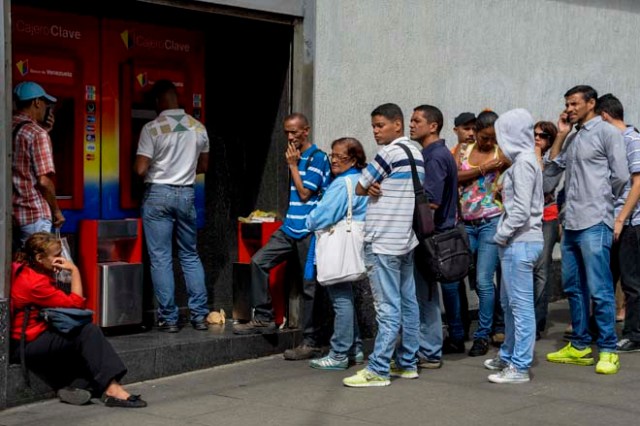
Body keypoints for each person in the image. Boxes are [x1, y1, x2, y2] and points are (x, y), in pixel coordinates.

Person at [233, 113, 330, 361]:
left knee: (310, 287)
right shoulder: (295, 156)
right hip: (289, 227)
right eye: (287, 132)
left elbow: (306, 192)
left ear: (306, 131)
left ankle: (312, 341)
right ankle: (264, 317)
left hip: (309, 230)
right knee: (258, 261)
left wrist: (293, 166)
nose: (290, 137)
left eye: (295, 132)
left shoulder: (317, 158)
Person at [545, 85, 628, 375]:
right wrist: (560, 134)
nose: (569, 109)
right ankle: (580, 345)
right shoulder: (573, 137)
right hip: (571, 223)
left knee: (600, 289)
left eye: (574, 104)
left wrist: (606, 208)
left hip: (595, 221)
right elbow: (550, 174)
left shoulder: (607, 133)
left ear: (591, 103)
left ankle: (608, 348)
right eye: (567, 104)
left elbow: (620, 177)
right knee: (573, 287)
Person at [10, 232, 147, 408]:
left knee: (83, 342)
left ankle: (79, 386)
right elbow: (76, 304)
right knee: (88, 331)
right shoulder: (36, 284)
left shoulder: (22, 268)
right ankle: (112, 389)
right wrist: (74, 270)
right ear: (39, 257)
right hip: (27, 343)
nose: (61, 259)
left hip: (25, 338)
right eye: (57, 255)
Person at [343, 103, 424, 387]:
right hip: (405, 240)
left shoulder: (388, 153)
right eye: (374, 126)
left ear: (397, 125)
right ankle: (408, 363)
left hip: (382, 241)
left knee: (387, 307)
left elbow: (360, 186)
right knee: (409, 303)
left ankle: (378, 368)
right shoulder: (416, 153)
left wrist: (371, 186)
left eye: (380, 125)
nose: (375, 131)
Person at [134, 79, 210, 333]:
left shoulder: (152, 128)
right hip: (187, 194)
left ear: (158, 101)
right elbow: (204, 167)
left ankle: (170, 318)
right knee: (190, 255)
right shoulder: (198, 128)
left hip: (158, 194)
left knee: (161, 258)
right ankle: (200, 316)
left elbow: (140, 169)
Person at [483, 109, 544, 384]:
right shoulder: (523, 161)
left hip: (520, 243)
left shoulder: (523, 164)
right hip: (516, 243)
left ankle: (519, 366)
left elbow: (520, 210)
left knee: (519, 307)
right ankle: (508, 355)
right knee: (509, 305)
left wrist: (501, 235)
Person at [306, 137, 367, 370]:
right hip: (356, 244)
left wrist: (309, 220)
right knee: (347, 297)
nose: (334, 160)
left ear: (353, 159)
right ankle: (355, 347)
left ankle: (339, 353)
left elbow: (323, 215)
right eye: (332, 155)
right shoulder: (362, 179)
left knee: (340, 299)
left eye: (340, 156)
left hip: (338, 246)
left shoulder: (342, 184)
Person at [408, 105, 461, 366]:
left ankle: (428, 351)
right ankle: (425, 347)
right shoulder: (435, 154)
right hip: (434, 235)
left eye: (417, 120)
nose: (411, 124)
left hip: (431, 236)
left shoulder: (435, 156)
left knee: (426, 295)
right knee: (425, 294)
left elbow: (431, 202)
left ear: (433, 126)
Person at [457, 111, 509, 357]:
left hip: (491, 220)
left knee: (484, 280)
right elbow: (454, 176)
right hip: (466, 222)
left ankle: (482, 334)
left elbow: (525, 169)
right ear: (476, 132)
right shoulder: (463, 150)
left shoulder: (502, 153)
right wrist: (483, 169)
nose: (489, 142)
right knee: (471, 277)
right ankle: (486, 325)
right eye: (485, 137)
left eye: (493, 138)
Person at [595, 94, 640, 353]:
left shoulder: (632, 140)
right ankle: (603, 330)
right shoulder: (611, 141)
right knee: (606, 278)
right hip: (609, 220)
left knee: (632, 281)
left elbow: (638, 183)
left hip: (630, 223)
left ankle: (634, 334)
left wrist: (621, 218)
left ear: (604, 116)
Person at [12, 81, 65, 248]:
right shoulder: (37, 134)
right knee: (38, 270)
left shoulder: (8, 126)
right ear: (36, 102)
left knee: (18, 267)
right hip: (34, 214)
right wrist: (56, 211)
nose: (46, 108)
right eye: (45, 103)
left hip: (13, 214)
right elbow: (44, 181)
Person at [532, 121, 561, 339]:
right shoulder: (524, 158)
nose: (537, 138)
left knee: (541, 268)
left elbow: (543, 188)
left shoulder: (554, 163)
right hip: (526, 219)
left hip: (547, 218)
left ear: (550, 141)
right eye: (534, 134)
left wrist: (539, 159)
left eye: (542, 136)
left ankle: (538, 321)